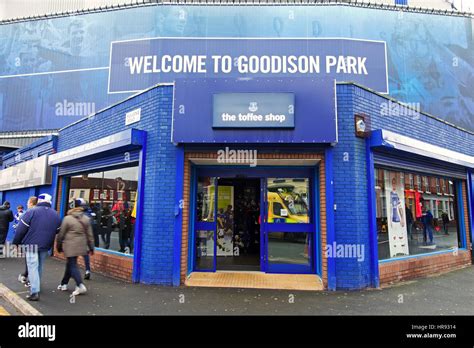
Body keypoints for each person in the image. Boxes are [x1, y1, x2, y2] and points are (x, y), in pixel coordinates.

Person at [13, 194, 61, 301]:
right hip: (46, 244)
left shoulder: (32, 212)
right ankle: (36, 286)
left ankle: (34, 291)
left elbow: (21, 229)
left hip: (31, 244)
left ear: (39, 201)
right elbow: (58, 230)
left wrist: (16, 243)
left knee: (32, 266)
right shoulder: (55, 214)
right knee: (39, 266)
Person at [56, 198, 94, 296]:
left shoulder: (67, 218)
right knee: (70, 264)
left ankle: (80, 284)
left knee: (72, 265)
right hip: (81, 245)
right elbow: (90, 235)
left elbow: (61, 234)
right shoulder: (86, 219)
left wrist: (58, 246)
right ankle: (64, 284)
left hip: (70, 246)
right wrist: (91, 247)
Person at [18, 196, 38, 287]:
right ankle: (27, 276)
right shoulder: (41, 213)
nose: (27, 204)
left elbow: (22, 229)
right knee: (35, 262)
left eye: (28, 202)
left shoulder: (29, 213)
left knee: (30, 261)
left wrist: (16, 243)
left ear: (31, 203)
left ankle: (29, 280)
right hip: (40, 241)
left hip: (30, 241)